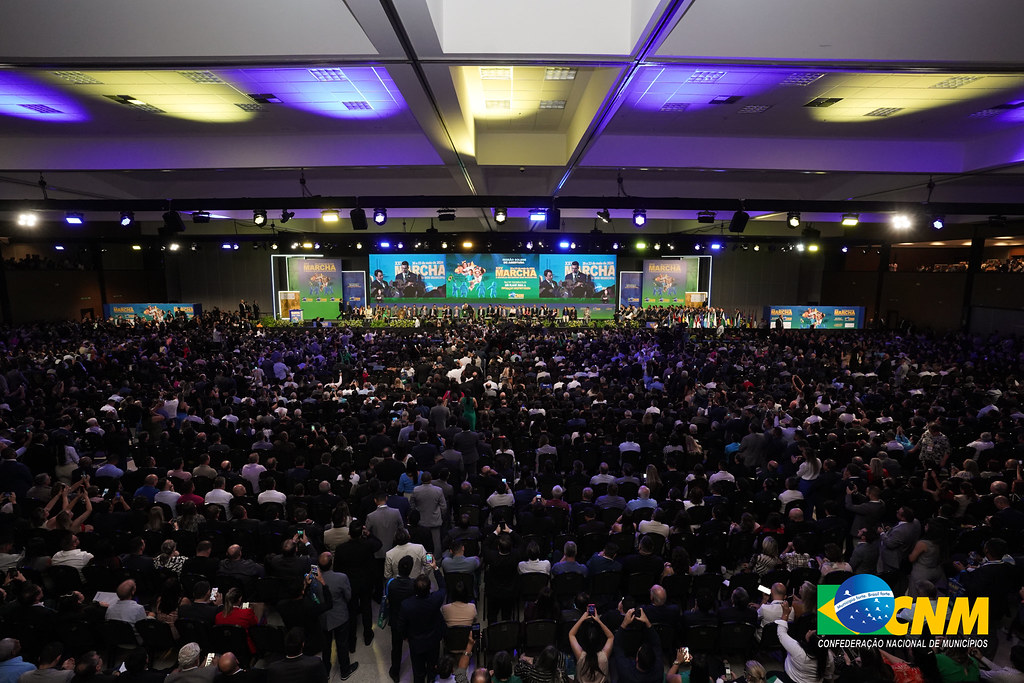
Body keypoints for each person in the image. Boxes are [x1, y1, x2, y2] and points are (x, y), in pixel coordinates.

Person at [398, 561, 446, 683]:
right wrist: (435, 568)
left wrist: (405, 637)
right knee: (432, 667)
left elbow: (401, 625)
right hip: (433, 640)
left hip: (416, 642)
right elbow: (443, 587)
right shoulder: (435, 599)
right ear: (430, 587)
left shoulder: (406, 605)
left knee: (418, 670)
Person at [317, 551, 357, 680]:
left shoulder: (313, 580)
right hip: (340, 617)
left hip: (323, 618)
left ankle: (326, 672)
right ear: (331, 563)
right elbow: (348, 596)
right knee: (342, 644)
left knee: (326, 647)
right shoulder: (341, 577)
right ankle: (345, 671)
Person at [568, 611, 613, 683]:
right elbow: (610, 637)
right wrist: (598, 620)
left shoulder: (580, 656)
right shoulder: (604, 656)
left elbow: (571, 634)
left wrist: (582, 618)